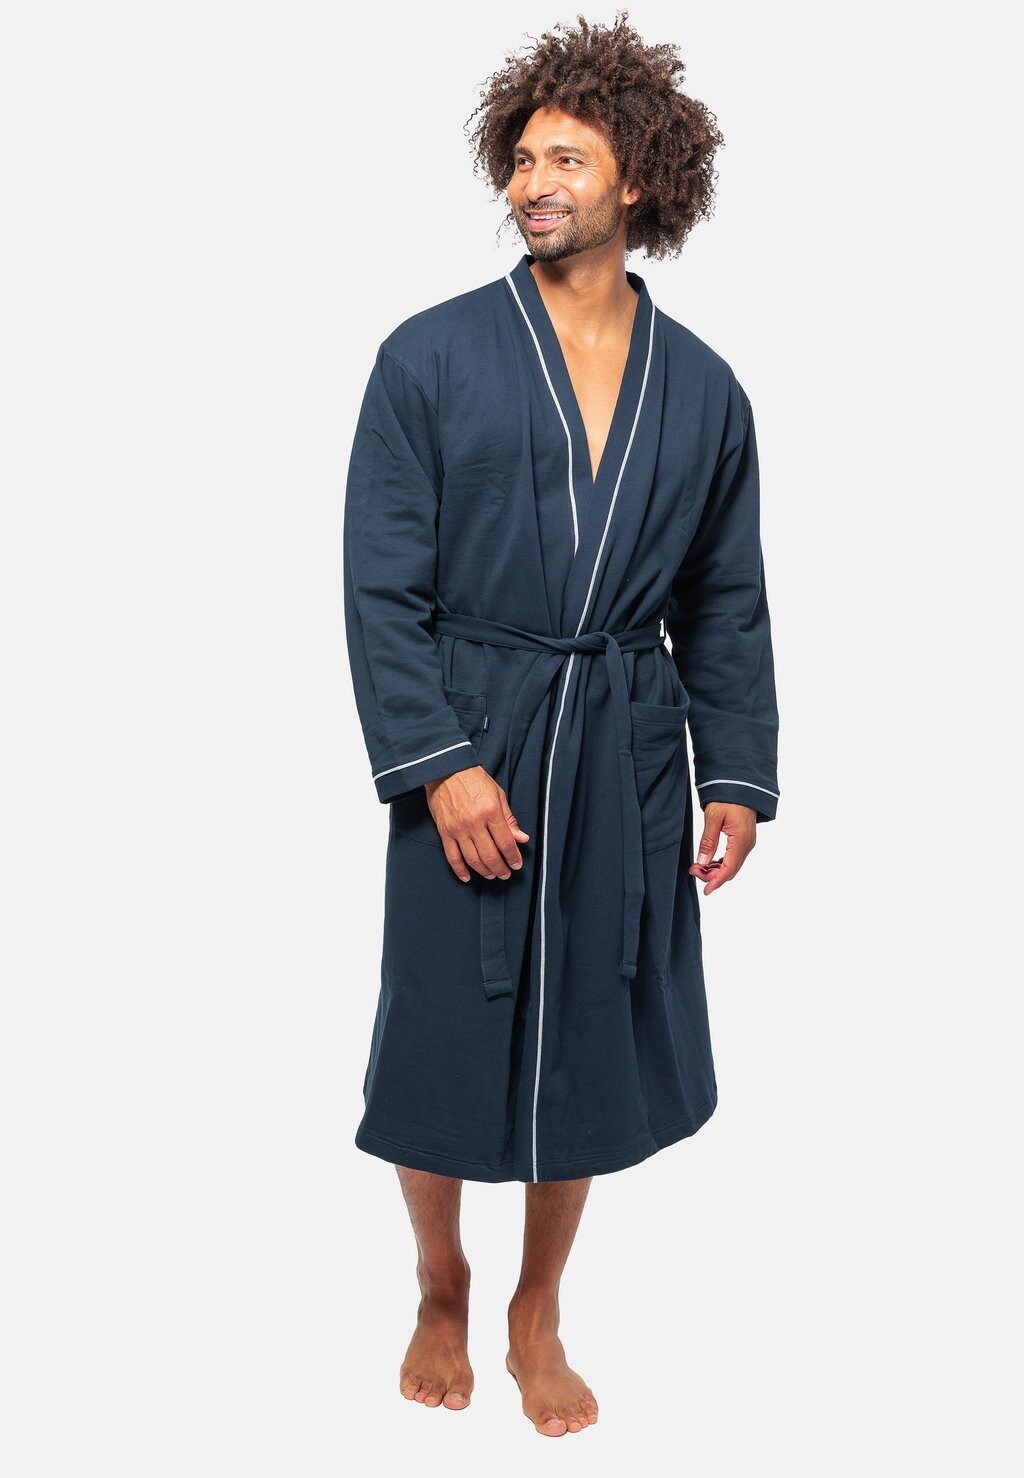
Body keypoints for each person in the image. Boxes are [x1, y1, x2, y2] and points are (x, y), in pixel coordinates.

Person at [342, 13, 780, 1438]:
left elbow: (725, 595)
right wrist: (442, 765)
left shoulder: (703, 389)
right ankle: (441, 1279)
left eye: (568, 158)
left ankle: (537, 1304)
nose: (534, 182)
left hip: (626, 746)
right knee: (440, 1023)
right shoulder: (430, 357)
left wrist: (734, 771)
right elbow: (380, 584)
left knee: (588, 1022)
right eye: (523, 158)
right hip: (478, 725)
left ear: (637, 177)